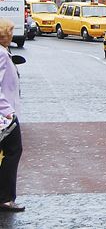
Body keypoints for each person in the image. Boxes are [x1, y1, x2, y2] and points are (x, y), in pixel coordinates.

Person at [0, 19, 24, 212]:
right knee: (13, 151)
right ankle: (5, 198)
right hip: (4, 116)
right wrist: (8, 112)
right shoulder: (0, 53)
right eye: (10, 32)